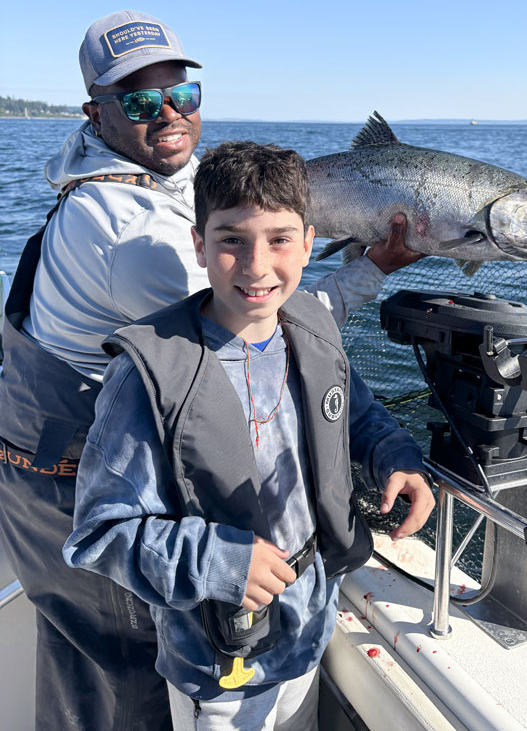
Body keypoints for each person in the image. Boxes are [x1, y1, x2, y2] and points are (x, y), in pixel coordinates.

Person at [0, 10, 422, 731]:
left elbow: (291, 349)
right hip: (73, 465)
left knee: (83, 659)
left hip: (41, 433)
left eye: (182, 94)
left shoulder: (126, 168)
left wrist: (385, 444)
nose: (168, 113)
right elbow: (266, 319)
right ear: (94, 111)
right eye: (139, 101)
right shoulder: (133, 242)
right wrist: (370, 268)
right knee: (120, 672)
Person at [63, 141, 435, 730]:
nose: (258, 264)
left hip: (311, 627)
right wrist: (221, 561)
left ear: (310, 243)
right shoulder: (148, 373)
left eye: (280, 239)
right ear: (199, 245)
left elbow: (355, 413)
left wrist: (395, 457)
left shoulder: (311, 327)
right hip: (218, 665)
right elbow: (100, 535)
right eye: (232, 239)